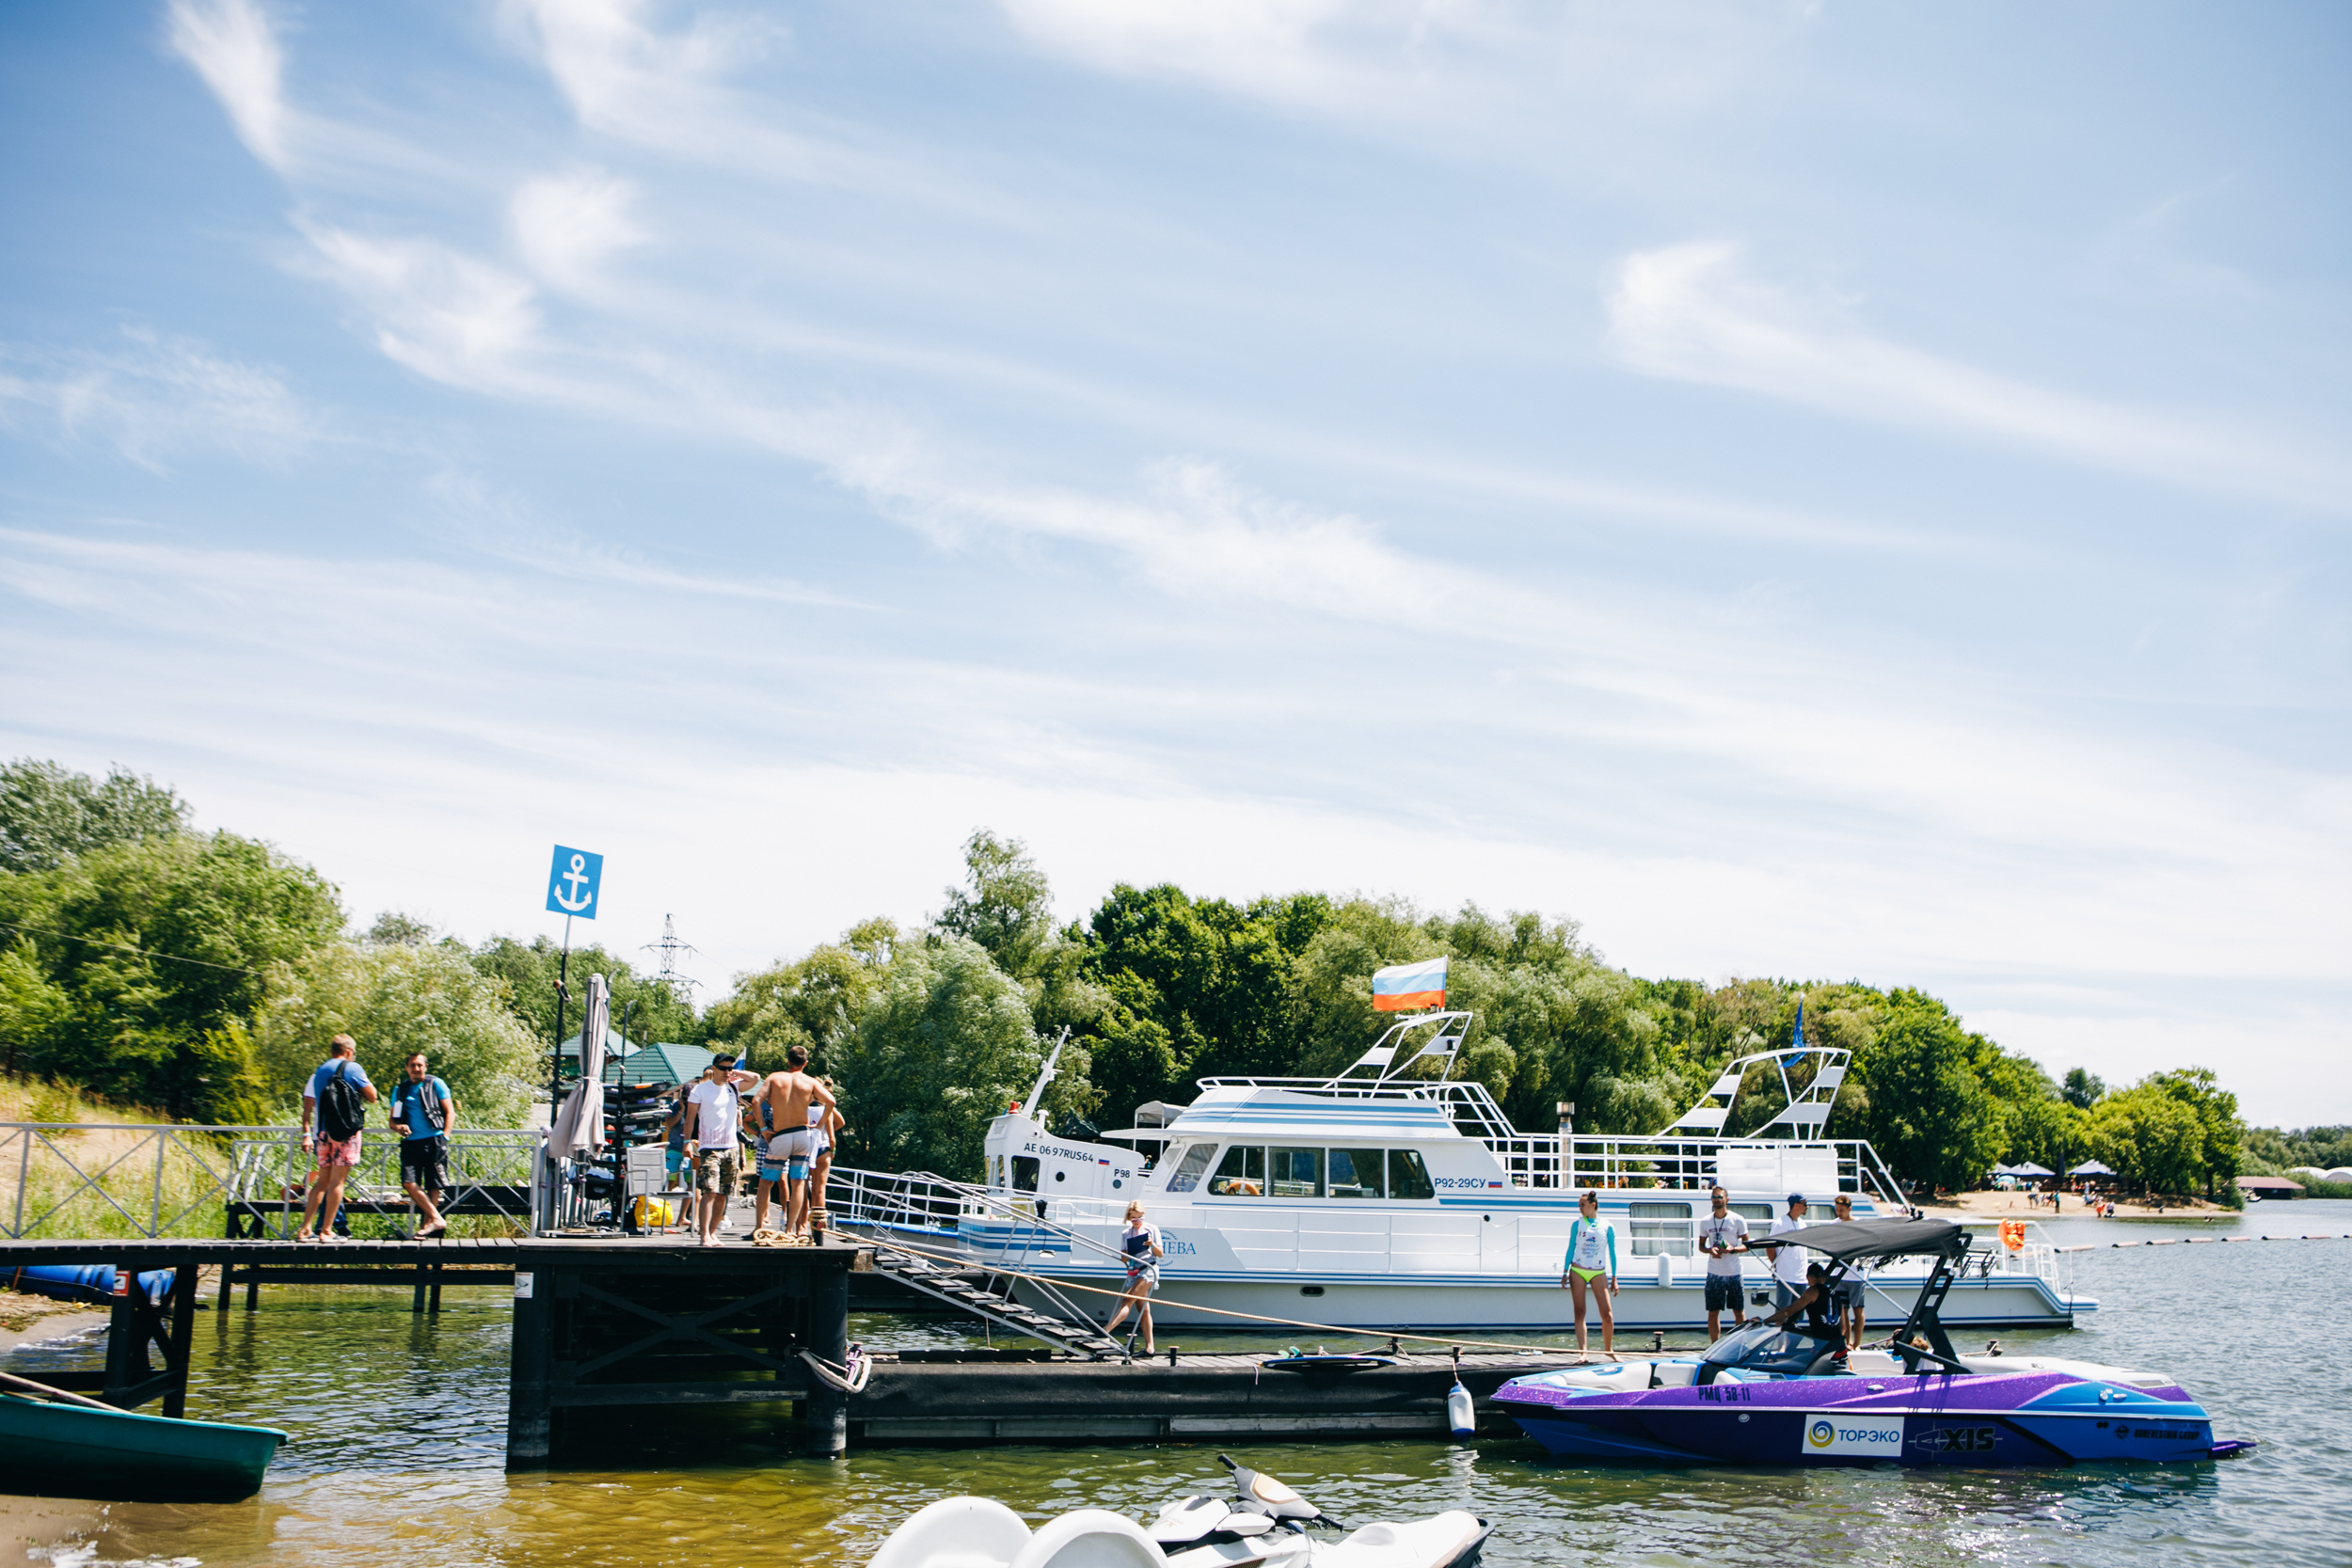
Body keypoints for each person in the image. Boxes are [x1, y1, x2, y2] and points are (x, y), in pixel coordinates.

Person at [295, 1035, 379, 1242]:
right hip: (345, 1133)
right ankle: (326, 1231)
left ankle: (305, 1229)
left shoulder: (320, 1070)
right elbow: (373, 1097)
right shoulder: (353, 1068)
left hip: (323, 1132)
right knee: (337, 1183)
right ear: (349, 1051)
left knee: (321, 1182)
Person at [756, 1045, 838, 1241]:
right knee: (799, 1182)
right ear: (805, 1063)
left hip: (781, 1134)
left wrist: (763, 1129)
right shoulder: (810, 1081)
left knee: (766, 1182)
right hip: (803, 1134)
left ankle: (759, 1227)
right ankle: (790, 1230)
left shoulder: (774, 1078)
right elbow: (831, 1102)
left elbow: (756, 1102)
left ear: (788, 1060)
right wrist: (819, 1126)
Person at [682, 1054, 760, 1246]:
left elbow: (755, 1078)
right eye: (723, 1068)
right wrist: (686, 1141)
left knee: (724, 1193)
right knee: (709, 1191)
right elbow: (690, 1117)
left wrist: (736, 1072)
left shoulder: (733, 1087)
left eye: (729, 1068)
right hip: (709, 1147)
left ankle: (712, 1232)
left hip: (731, 1146)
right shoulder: (700, 1090)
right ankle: (703, 1236)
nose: (726, 1072)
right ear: (714, 1068)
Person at [388, 1051, 457, 1239]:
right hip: (411, 1143)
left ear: (425, 1067)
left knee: (433, 1185)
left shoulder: (436, 1084)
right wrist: (399, 1127)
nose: (416, 1069)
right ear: (407, 1068)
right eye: (412, 1065)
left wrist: (445, 1138)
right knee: (408, 1182)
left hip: (434, 1140)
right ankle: (436, 1218)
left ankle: (427, 1227)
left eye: (420, 1065)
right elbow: (392, 1121)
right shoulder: (400, 1090)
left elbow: (450, 1112)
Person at [1559, 1190, 1618, 1354]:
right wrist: (1565, 1272)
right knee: (1580, 1311)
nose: (1580, 1208)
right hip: (1578, 1269)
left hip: (1598, 1271)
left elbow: (1612, 1252)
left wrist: (1614, 1277)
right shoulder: (1577, 1224)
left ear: (1593, 1205)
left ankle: (1608, 1349)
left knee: (1607, 1314)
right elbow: (1571, 1247)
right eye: (1579, 1205)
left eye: (1583, 1205)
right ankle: (1583, 1351)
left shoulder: (1607, 1225)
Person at [1103, 1200, 1164, 1353]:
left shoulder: (1152, 1229)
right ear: (1129, 1217)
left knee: (1127, 1299)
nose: (1137, 1221)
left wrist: (1151, 1245)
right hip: (1134, 1271)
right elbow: (1124, 1258)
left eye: (1140, 1218)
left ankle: (1105, 1331)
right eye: (1134, 1218)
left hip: (1148, 1269)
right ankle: (1150, 1348)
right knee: (1143, 1310)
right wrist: (1127, 1253)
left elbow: (1160, 1254)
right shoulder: (1126, 1233)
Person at [1695, 1184, 1750, 1340]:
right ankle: (1714, 1346)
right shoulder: (1705, 1221)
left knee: (1739, 1311)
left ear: (1727, 1199)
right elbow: (1701, 1246)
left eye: (1720, 1197)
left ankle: (1739, 1344)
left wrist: (1733, 1250)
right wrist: (1709, 1250)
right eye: (1714, 1197)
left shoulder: (1737, 1220)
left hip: (1734, 1272)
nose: (1717, 1200)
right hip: (1714, 1273)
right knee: (1713, 1312)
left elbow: (1748, 1245)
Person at [1829, 1192, 1870, 1350]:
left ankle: (1857, 1344)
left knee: (1858, 1309)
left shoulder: (1859, 1225)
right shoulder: (1834, 1225)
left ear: (1849, 1209)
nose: (1838, 1213)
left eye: (1841, 1210)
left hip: (1856, 1274)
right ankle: (1846, 1342)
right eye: (1837, 1210)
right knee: (1842, 1310)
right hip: (1839, 1273)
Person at [1768, 1261, 1842, 1339]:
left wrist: (1764, 1321)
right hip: (1839, 1345)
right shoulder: (1835, 1295)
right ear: (1823, 1278)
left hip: (1823, 1345)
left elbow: (1788, 1311)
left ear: (1808, 1278)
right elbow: (1843, 1326)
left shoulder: (1812, 1292)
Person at [1765, 1193, 1810, 1315]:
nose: (1807, 1206)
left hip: (1801, 1276)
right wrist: (1776, 1266)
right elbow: (1770, 1247)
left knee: (1798, 1314)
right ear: (1796, 1205)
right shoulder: (1780, 1223)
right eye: (1805, 1204)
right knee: (1783, 1312)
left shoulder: (1802, 1224)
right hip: (1786, 1275)